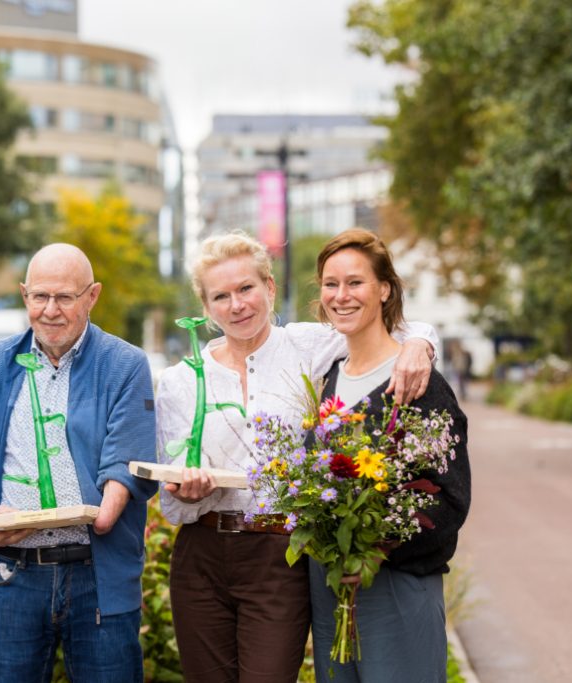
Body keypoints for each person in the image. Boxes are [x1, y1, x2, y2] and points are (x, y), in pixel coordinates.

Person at [154, 231, 440, 683]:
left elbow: (402, 328)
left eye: (246, 289)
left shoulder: (307, 346)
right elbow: (170, 506)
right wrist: (187, 494)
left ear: (269, 288)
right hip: (201, 556)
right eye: (221, 296)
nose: (237, 305)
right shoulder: (179, 382)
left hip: (277, 555)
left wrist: (420, 349)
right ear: (205, 309)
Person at [0, 243, 157, 683]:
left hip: (97, 573)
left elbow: (129, 460)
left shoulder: (124, 364)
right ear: (24, 295)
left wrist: (107, 510)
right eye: (39, 296)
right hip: (13, 572)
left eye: (65, 297)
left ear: (92, 296)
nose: (50, 310)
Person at [309, 228, 471, 683]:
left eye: (355, 282)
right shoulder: (325, 382)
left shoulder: (418, 383)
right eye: (330, 284)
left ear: (384, 289)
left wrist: (373, 549)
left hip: (397, 585)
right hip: (332, 591)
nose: (341, 296)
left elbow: (450, 500)